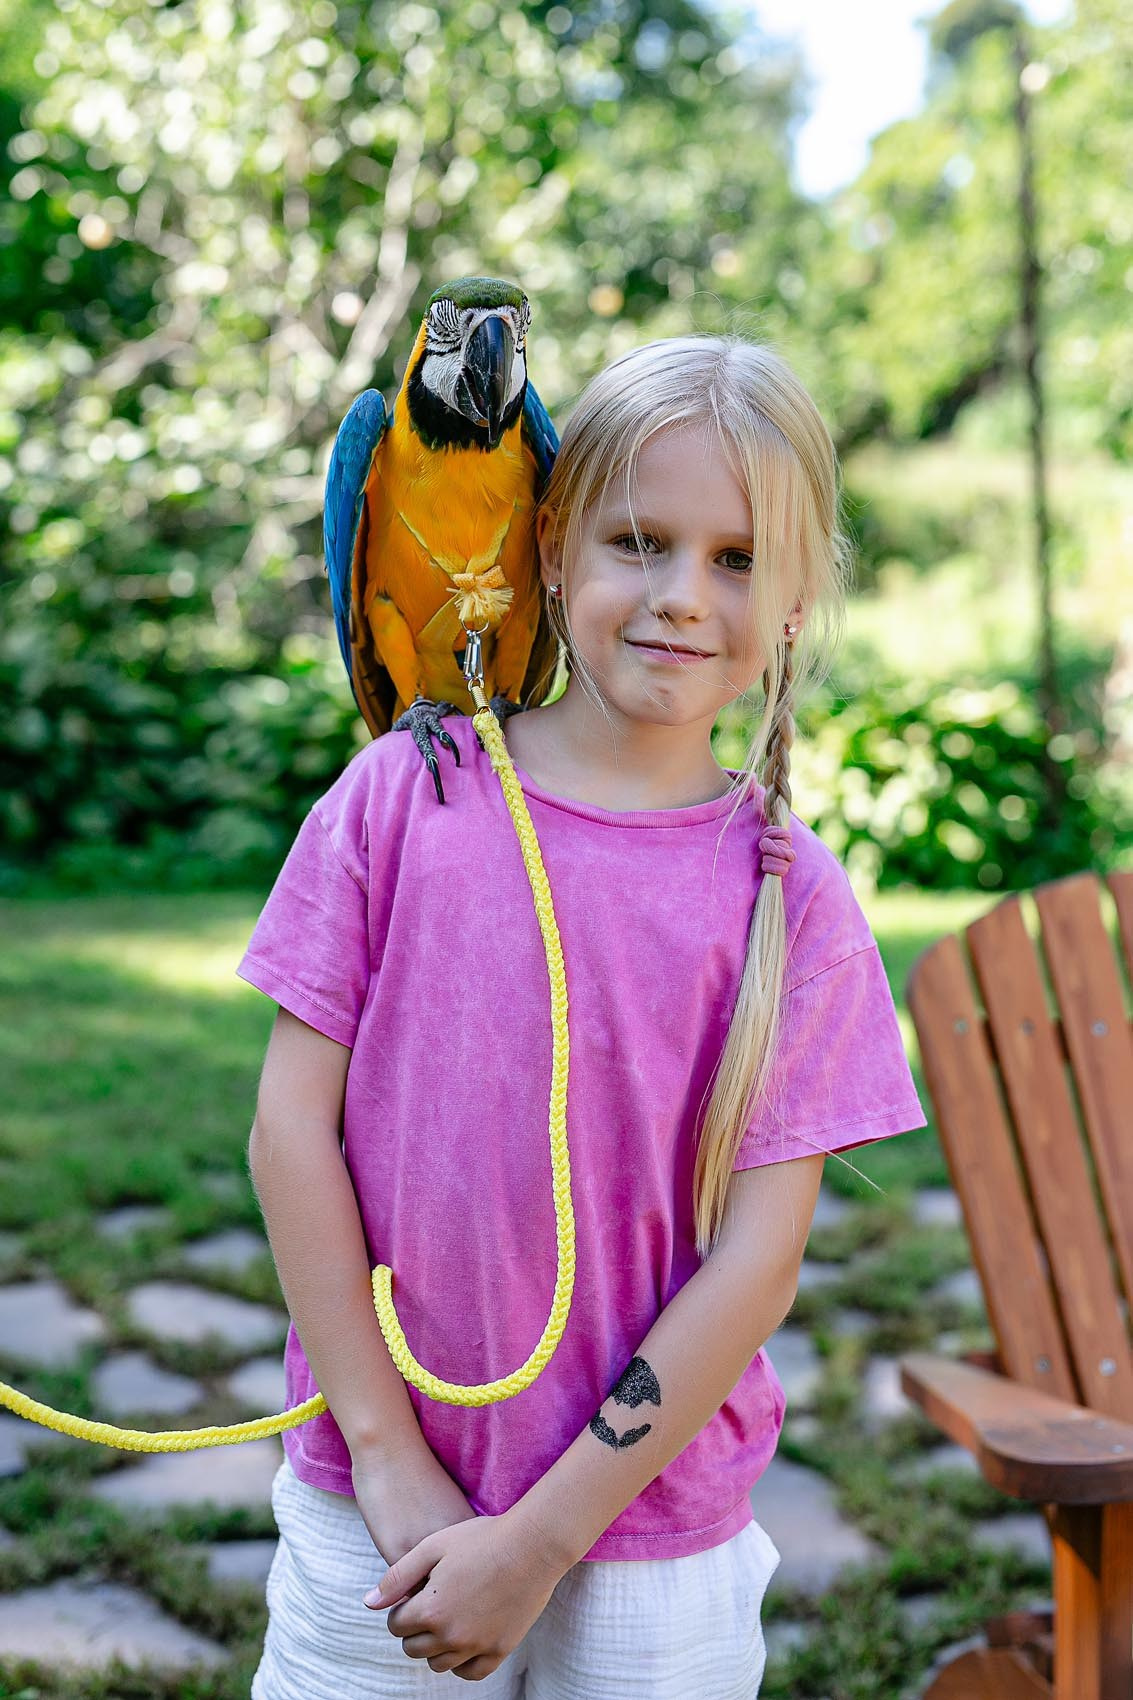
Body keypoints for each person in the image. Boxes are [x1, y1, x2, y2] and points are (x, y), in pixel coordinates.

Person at [238, 334, 928, 1699]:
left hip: (650, 1544)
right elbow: (286, 1130)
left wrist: (543, 1541)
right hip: (374, 1512)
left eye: (737, 560)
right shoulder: (401, 801)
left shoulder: (791, 895)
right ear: (549, 547)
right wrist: (385, 1455)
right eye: (638, 540)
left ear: (794, 602)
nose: (682, 595)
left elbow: (755, 1262)